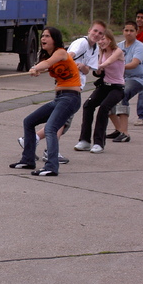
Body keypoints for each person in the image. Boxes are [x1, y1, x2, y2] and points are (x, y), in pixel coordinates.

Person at [18, 20, 106, 163]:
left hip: (71, 94)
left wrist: (41, 67)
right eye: (95, 31)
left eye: (100, 33)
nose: (97, 34)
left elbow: (73, 63)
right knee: (48, 123)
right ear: (89, 30)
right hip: (65, 95)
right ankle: (36, 153)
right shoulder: (81, 43)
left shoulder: (90, 48)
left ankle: (49, 158)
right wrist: (40, 68)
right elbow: (61, 58)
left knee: (56, 125)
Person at [10, 26, 81, 176]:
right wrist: (36, 70)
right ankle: (28, 160)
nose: (43, 39)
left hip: (70, 97)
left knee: (50, 128)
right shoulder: (46, 56)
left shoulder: (61, 52)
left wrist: (36, 67)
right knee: (29, 121)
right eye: (42, 36)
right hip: (59, 97)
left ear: (55, 39)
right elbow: (44, 66)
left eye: (47, 36)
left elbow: (47, 64)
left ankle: (51, 166)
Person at [74, 29, 125, 154]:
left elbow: (109, 62)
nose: (101, 42)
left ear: (110, 39)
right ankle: (85, 141)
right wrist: (95, 69)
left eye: (103, 39)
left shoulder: (117, 51)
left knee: (103, 108)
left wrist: (98, 66)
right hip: (104, 86)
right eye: (99, 39)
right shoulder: (100, 51)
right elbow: (97, 71)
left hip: (117, 87)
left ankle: (98, 143)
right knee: (88, 105)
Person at [107, 21, 143, 142]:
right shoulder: (119, 46)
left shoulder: (139, 46)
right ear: (123, 31)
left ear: (136, 32)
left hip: (139, 78)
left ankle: (125, 133)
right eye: (126, 30)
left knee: (122, 95)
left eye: (132, 31)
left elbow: (134, 63)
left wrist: (118, 66)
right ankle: (118, 129)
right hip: (123, 78)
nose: (128, 33)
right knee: (107, 98)